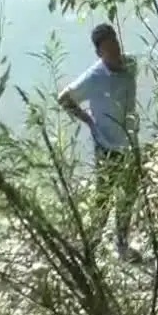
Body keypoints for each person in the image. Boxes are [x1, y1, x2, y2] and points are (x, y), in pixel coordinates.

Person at [57, 23, 141, 262]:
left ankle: (122, 244)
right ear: (99, 53)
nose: (114, 51)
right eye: (108, 48)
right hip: (107, 147)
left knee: (128, 196)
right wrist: (87, 120)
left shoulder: (131, 65)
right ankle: (91, 248)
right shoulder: (94, 77)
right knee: (104, 198)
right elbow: (64, 98)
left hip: (130, 144)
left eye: (115, 44)